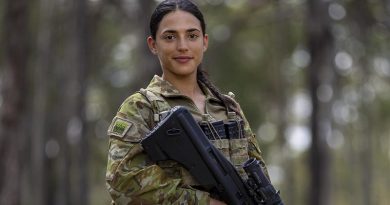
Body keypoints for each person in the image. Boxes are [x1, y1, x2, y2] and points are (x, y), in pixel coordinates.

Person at [105, 0, 269, 204]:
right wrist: (204, 202)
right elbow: (122, 183)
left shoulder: (228, 108)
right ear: (153, 45)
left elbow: (258, 173)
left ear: (205, 42)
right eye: (170, 37)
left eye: (192, 36)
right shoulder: (141, 107)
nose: (182, 46)